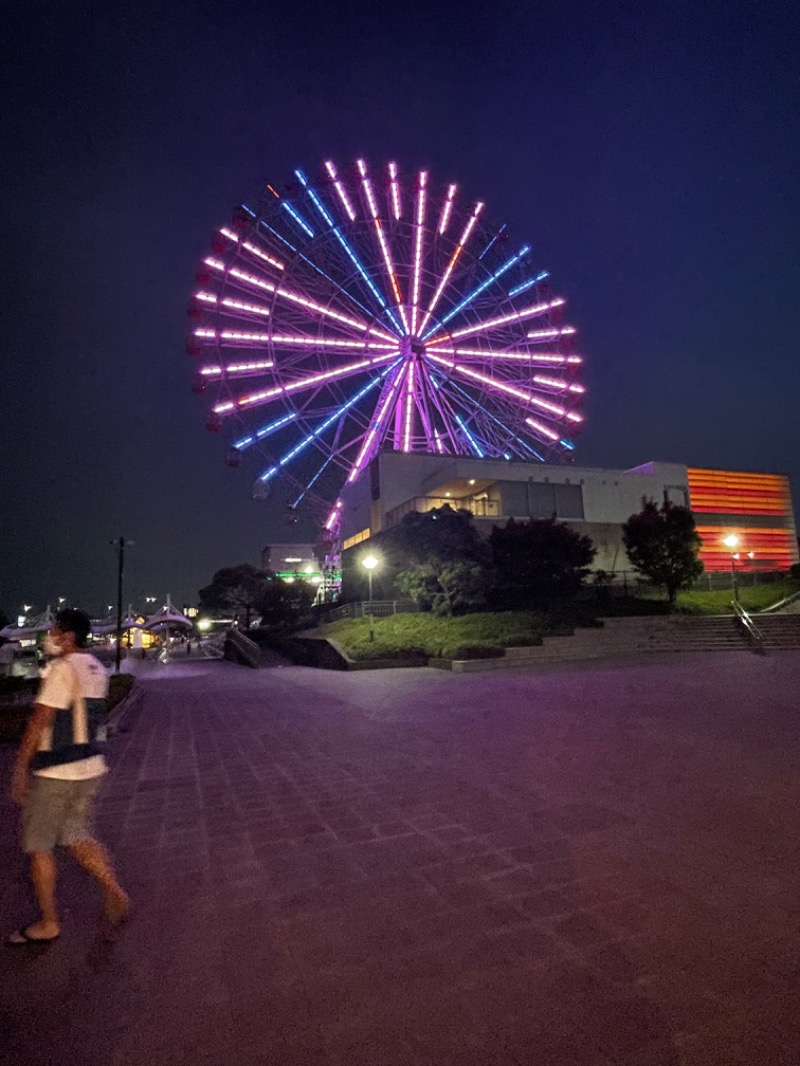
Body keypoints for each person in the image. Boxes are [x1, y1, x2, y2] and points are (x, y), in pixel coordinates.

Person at [7, 608, 129, 945]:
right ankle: (113, 888)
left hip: (57, 771)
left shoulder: (62, 669)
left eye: (56, 630)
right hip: (89, 767)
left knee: (39, 846)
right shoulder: (97, 668)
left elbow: (40, 720)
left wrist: (19, 767)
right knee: (75, 835)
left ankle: (48, 923)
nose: (52, 636)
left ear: (69, 635)